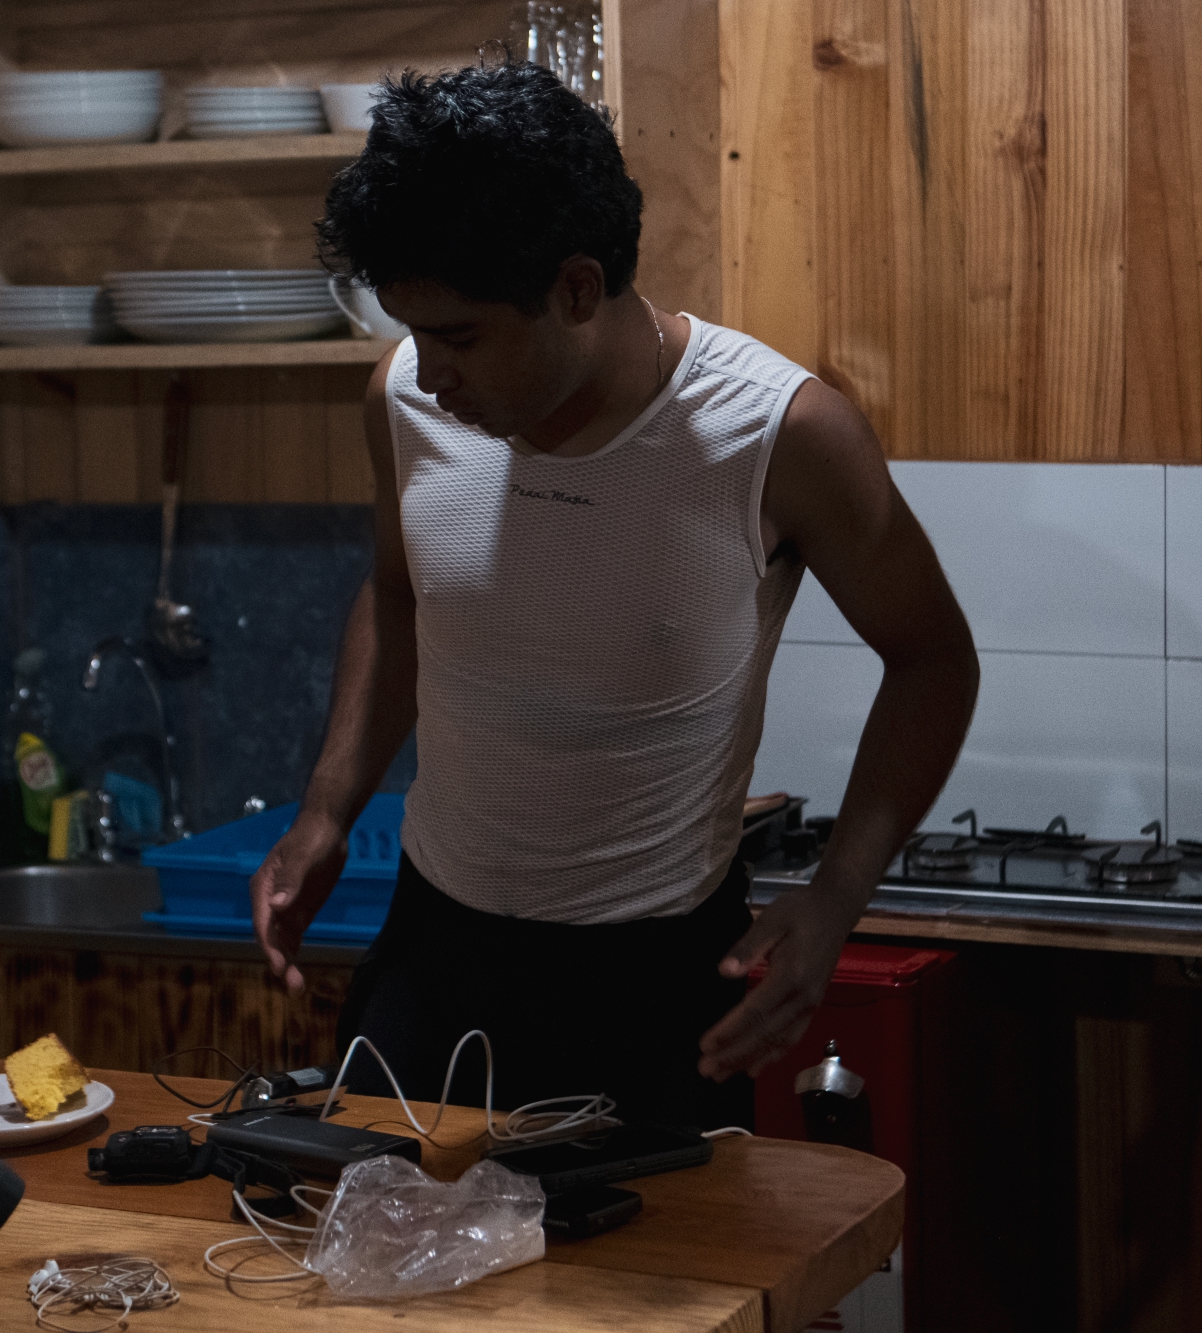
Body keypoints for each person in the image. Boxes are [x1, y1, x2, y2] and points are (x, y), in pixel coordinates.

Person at [250, 63, 979, 1129]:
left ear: (578, 290)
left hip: (656, 974)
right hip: (435, 941)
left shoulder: (776, 434)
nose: (428, 371)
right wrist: (326, 810)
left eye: (458, 336)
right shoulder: (402, 399)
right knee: (373, 1234)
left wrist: (834, 896)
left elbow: (932, 661)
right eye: (410, 332)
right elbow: (401, 596)